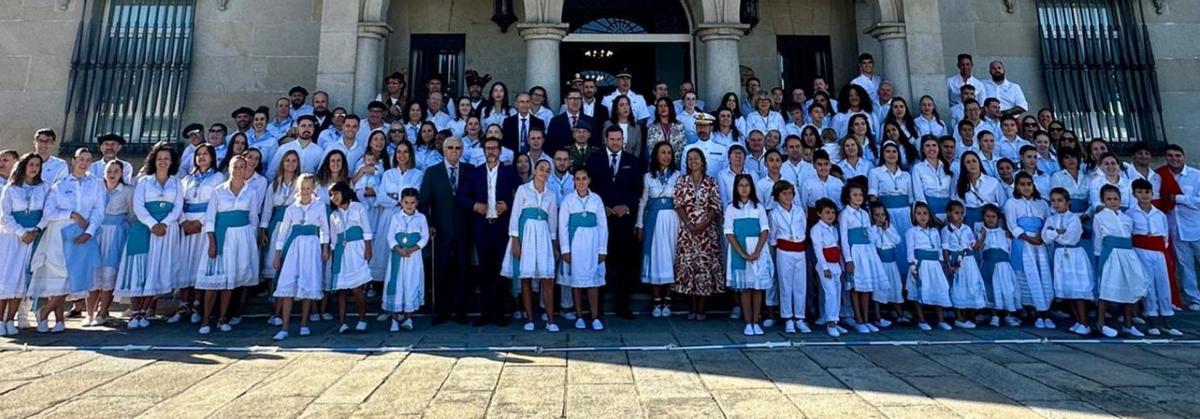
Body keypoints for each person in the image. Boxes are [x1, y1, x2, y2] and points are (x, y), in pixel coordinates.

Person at [25, 148, 99, 333]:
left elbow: (98, 211)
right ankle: (57, 319)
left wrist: (89, 232)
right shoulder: (59, 185)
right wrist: (71, 214)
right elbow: (49, 212)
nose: (84, 163)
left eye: (88, 160)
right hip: (59, 234)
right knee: (58, 277)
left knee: (72, 277)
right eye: (81, 159)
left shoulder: (96, 184)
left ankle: (44, 312)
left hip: (82, 236)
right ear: (73, 161)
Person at [116, 144, 182, 330]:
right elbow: (138, 206)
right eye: (159, 158)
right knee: (140, 271)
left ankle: (144, 311)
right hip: (145, 229)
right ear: (154, 160)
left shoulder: (176, 183)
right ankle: (134, 311)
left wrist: (165, 223)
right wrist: (153, 224)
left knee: (155, 271)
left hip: (165, 232)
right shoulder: (144, 181)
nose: (163, 162)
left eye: (166, 158)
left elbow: (177, 207)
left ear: (172, 161)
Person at [193, 155, 259, 334]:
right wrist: (212, 242)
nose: (238, 170)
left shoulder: (251, 192)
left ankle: (223, 318)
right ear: (229, 169)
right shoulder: (218, 191)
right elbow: (210, 219)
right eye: (235, 166)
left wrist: (251, 242)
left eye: (241, 167)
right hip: (222, 238)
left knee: (230, 282)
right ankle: (206, 320)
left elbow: (253, 218)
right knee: (214, 283)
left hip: (241, 239)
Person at [458, 137, 521, 326]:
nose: (491, 152)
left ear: (500, 151)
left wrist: (508, 205)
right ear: (483, 151)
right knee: (484, 270)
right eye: (488, 149)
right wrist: (475, 205)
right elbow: (461, 196)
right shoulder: (475, 173)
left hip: (502, 227)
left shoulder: (509, 172)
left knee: (502, 271)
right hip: (483, 227)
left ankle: (500, 312)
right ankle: (485, 312)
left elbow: (523, 194)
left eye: (494, 148)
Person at [586, 125, 645, 319]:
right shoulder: (594, 160)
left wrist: (626, 207)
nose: (615, 142)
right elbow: (589, 187)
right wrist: (601, 206)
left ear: (623, 141)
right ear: (605, 140)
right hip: (601, 220)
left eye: (619, 139)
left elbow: (637, 190)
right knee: (600, 262)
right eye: (612, 139)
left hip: (624, 220)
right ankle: (597, 307)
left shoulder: (632, 161)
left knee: (624, 265)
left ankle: (623, 306)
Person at [418, 137, 473, 325]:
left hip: (464, 229)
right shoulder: (433, 172)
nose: (454, 151)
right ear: (443, 150)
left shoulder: (469, 171)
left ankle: (461, 311)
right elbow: (423, 202)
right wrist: (430, 223)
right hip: (439, 229)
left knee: (462, 270)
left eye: (458, 148)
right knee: (440, 270)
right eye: (450, 148)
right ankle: (441, 311)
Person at [501, 159, 560, 331]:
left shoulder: (551, 194)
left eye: (548, 170)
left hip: (543, 236)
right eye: (541, 169)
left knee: (547, 278)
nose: (544, 173)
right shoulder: (523, 190)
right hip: (526, 234)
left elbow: (553, 222)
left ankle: (550, 319)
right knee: (525, 277)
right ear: (535, 170)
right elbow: (515, 216)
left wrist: (554, 245)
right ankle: (529, 319)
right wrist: (515, 241)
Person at [170, 144, 225, 325]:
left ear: (212, 157)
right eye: (198, 154)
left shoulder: (218, 178)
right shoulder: (187, 178)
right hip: (186, 225)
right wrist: (184, 221)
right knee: (185, 264)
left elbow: (215, 204)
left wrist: (200, 223)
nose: (201, 157)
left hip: (203, 226)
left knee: (198, 266)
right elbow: (179, 202)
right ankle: (183, 305)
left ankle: (197, 306)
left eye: (205, 154)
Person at [271, 174, 329, 341]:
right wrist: (277, 254)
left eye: (308, 188)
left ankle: (304, 323)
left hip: (311, 247)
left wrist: (325, 248)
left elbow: (324, 229)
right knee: (288, 284)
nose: (305, 191)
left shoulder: (319, 207)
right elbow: (282, 233)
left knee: (307, 282)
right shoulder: (291, 208)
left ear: (313, 189)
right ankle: (284, 327)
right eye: (302, 188)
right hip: (294, 247)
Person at [673, 149, 724, 320]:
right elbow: (678, 204)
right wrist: (689, 224)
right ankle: (692, 307)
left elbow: (715, 206)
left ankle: (701, 309)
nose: (693, 161)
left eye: (696, 158)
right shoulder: (682, 180)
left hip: (706, 233)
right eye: (689, 159)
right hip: (687, 232)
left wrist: (703, 224)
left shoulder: (710, 181)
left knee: (703, 269)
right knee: (689, 268)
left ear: (702, 162)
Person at [1093, 184, 1150, 337]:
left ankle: (1128, 323)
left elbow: (1129, 236)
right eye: (1109, 199)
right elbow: (1098, 238)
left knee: (1129, 287)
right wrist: (1100, 256)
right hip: (1110, 254)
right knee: (1106, 289)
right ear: (1103, 200)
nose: (1113, 201)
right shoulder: (1099, 217)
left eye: (1115, 198)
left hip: (1127, 254)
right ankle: (1101, 323)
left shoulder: (1126, 218)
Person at [0, 154, 47, 335]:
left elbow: (47, 212)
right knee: (7, 277)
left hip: (33, 237)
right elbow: (4, 216)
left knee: (22, 279)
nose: (34, 168)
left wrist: (35, 229)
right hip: (12, 238)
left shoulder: (43, 188)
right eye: (31, 164)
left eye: (37, 165)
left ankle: (11, 319)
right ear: (22, 166)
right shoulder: (11, 188)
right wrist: (21, 232)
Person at [558, 167, 608, 330]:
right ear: (574, 181)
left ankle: (594, 317)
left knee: (593, 281)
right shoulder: (568, 201)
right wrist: (565, 249)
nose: (581, 182)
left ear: (589, 180)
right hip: (575, 245)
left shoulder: (596, 200)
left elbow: (602, 226)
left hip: (593, 244)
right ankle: (579, 316)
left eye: (584, 178)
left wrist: (602, 249)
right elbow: (563, 226)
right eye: (577, 179)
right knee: (577, 282)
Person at [1128, 179, 1180, 336]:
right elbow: (1129, 234)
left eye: (1147, 192)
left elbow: (1164, 236)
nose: (1144, 195)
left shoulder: (1160, 214)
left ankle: (1166, 322)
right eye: (1140, 192)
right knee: (1149, 285)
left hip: (1158, 252)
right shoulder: (1130, 213)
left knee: (1163, 285)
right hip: (1140, 251)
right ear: (1134, 194)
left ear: (1152, 194)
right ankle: (1152, 321)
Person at [1005, 172, 1055, 327]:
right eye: (1022, 184)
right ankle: (1034, 312)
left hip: (1040, 244)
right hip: (1023, 244)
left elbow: (1049, 222)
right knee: (1027, 276)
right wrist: (1028, 238)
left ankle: (1046, 312)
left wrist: (1041, 236)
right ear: (1017, 187)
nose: (1026, 187)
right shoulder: (1012, 203)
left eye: (1029, 184)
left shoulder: (1042, 203)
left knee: (1042, 275)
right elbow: (1012, 225)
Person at [636, 142, 680, 316]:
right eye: (663, 152)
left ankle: (668, 300)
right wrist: (639, 224)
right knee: (655, 257)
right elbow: (643, 202)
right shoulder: (648, 177)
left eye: (669, 153)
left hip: (672, 221)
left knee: (670, 256)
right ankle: (656, 301)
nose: (666, 156)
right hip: (654, 221)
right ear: (656, 155)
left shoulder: (677, 176)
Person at [371, 141, 423, 285]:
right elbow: (381, 197)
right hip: (389, 216)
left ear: (411, 154)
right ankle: (380, 284)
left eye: (405, 151)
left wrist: (394, 195)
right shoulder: (388, 174)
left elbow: (415, 195)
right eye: (399, 152)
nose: (402, 155)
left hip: (409, 219)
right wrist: (398, 200)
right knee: (385, 249)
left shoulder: (417, 174)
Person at [324, 181, 373, 333]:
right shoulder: (334, 215)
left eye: (336, 193)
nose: (334, 197)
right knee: (342, 290)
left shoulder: (358, 207)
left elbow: (366, 229)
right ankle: (342, 322)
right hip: (341, 252)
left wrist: (368, 248)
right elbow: (333, 237)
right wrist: (331, 252)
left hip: (357, 250)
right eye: (331, 195)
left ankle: (362, 318)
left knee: (357, 288)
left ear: (344, 192)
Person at [1044, 187, 1094, 335]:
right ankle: (1078, 321)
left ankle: (1084, 322)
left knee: (1077, 290)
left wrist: (1055, 233)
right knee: (1068, 290)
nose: (1056, 204)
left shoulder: (1074, 218)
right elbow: (1045, 236)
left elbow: (1071, 238)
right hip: (1060, 255)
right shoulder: (1051, 219)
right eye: (1053, 201)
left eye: (1060, 200)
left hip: (1074, 256)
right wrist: (1056, 232)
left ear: (1067, 202)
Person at [88, 160, 131, 327]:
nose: (112, 174)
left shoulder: (127, 191)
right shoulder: (96, 188)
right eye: (109, 170)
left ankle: (103, 310)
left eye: (116, 171)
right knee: (93, 273)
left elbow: (131, 213)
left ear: (121, 174)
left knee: (109, 272)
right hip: (97, 232)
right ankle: (89, 312)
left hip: (115, 234)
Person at [1158, 145, 1200, 311]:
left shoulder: (1196, 176)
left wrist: (1179, 198)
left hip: (1196, 227)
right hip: (1175, 229)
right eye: (1170, 155)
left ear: (1183, 156)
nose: (1174, 158)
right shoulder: (1161, 175)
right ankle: (1194, 298)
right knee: (1185, 266)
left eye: (1177, 155)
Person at [841, 182, 885, 333]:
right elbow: (844, 239)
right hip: (855, 253)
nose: (858, 197)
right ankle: (858, 319)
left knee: (866, 287)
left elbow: (870, 235)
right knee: (855, 287)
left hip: (866, 252)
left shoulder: (865, 214)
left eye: (860, 195)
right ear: (848, 197)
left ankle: (866, 319)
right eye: (855, 195)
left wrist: (873, 254)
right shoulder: (845, 215)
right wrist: (848, 259)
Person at [382, 187, 427, 332]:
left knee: (410, 283)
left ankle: (408, 317)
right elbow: (390, 236)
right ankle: (394, 319)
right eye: (406, 202)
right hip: (398, 257)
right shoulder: (396, 217)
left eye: (412, 203)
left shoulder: (421, 218)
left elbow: (425, 237)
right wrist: (398, 249)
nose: (409, 205)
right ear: (401, 202)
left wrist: (413, 248)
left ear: (417, 203)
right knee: (396, 284)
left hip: (413, 258)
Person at [260, 150, 300, 314]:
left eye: (294, 161)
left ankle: (289, 304)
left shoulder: (300, 183)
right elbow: (267, 210)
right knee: (273, 263)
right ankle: (274, 304)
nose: (290, 164)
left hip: (294, 228)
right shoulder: (274, 184)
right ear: (282, 163)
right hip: (277, 226)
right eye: (287, 160)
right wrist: (263, 230)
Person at [770, 180, 809, 333]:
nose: (788, 196)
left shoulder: (799, 211)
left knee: (800, 284)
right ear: (777, 195)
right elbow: (773, 236)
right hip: (784, 251)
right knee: (786, 284)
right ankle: (788, 318)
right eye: (784, 193)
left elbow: (803, 229)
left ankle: (800, 317)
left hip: (799, 251)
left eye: (790, 193)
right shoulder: (774, 214)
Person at [906, 202, 951, 331]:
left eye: (925, 213)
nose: (922, 216)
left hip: (934, 265)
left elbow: (938, 248)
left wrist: (942, 263)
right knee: (919, 291)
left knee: (938, 289)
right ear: (913, 216)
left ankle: (941, 319)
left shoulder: (935, 231)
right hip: (921, 265)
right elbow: (910, 250)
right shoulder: (912, 232)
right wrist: (913, 266)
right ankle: (921, 319)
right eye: (918, 214)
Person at [942, 201, 985, 328]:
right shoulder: (946, 230)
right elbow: (945, 249)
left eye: (961, 213)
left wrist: (982, 237)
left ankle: (970, 314)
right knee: (958, 286)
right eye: (956, 213)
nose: (960, 216)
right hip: (956, 261)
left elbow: (974, 246)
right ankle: (959, 317)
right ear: (949, 214)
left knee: (970, 285)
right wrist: (948, 265)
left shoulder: (967, 229)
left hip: (969, 261)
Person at [810, 198, 844, 336]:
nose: (830, 215)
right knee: (831, 293)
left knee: (837, 292)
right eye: (827, 212)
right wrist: (824, 267)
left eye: (832, 212)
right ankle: (830, 322)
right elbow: (818, 249)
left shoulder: (833, 229)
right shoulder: (817, 229)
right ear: (819, 213)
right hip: (825, 265)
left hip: (835, 264)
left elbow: (836, 247)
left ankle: (835, 320)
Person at [869, 204, 906, 325]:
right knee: (879, 289)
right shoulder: (872, 229)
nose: (880, 218)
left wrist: (887, 230)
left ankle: (899, 313)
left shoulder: (890, 227)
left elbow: (897, 240)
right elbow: (873, 243)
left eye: (882, 215)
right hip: (880, 264)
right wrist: (877, 229)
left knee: (895, 286)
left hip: (892, 264)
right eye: (877, 215)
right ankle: (877, 316)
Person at [956, 151, 1006, 229]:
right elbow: (959, 206)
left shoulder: (992, 182)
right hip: (970, 223)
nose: (972, 164)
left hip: (990, 223)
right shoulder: (961, 184)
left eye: (974, 161)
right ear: (964, 166)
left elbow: (1003, 205)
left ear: (979, 162)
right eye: (968, 162)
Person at [912, 136, 953, 218]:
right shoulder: (918, 168)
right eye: (927, 146)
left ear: (939, 148)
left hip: (948, 212)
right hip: (929, 213)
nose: (931, 148)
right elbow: (919, 194)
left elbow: (953, 192)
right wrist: (929, 214)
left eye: (934, 145)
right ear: (922, 149)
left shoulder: (948, 166)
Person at [548, 88, 599, 153]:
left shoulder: (590, 120)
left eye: (578, 99)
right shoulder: (555, 121)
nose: (576, 102)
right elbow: (550, 144)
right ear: (566, 101)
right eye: (572, 98)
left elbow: (595, 143)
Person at [682, 113, 728, 178]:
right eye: (699, 126)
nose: (702, 129)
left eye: (705, 126)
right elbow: (684, 174)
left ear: (711, 128)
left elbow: (725, 174)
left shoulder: (722, 149)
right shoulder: (687, 149)